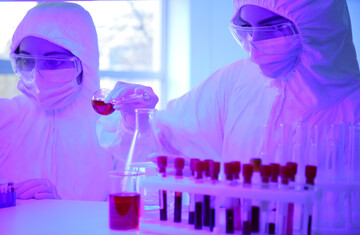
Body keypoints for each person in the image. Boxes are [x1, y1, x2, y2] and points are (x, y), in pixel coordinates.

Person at [99, 0, 360, 174]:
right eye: (246, 28)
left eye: (272, 29)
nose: (254, 53)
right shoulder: (237, 80)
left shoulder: (353, 109)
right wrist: (137, 122)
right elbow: (164, 145)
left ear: (320, 28)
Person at [0, 2, 115, 200]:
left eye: (53, 62)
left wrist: (61, 210)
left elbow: (127, 218)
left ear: (84, 63)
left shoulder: (113, 132)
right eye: (27, 61)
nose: (36, 76)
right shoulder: (6, 119)